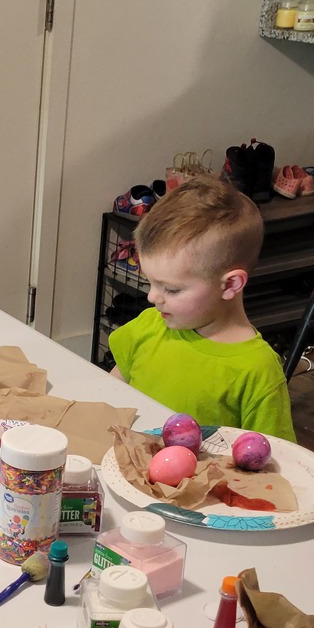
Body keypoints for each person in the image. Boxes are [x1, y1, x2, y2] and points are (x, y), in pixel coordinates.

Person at [108, 175, 295, 440]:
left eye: (171, 289)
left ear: (230, 285)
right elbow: (113, 390)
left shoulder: (257, 371)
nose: (152, 297)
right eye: (150, 282)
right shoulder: (149, 325)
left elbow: (275, 454)